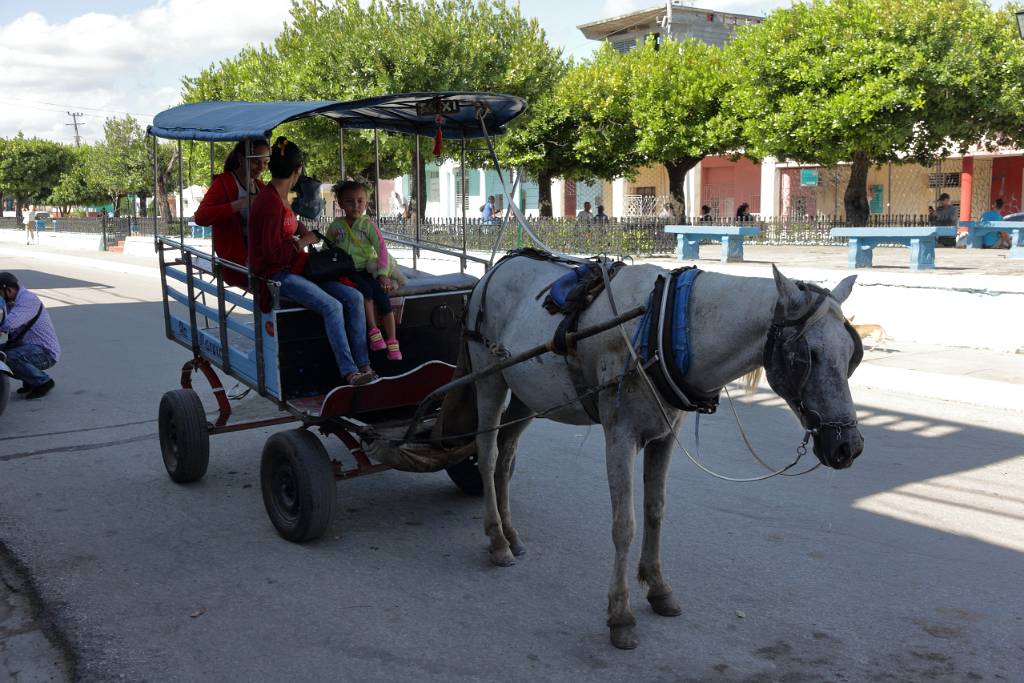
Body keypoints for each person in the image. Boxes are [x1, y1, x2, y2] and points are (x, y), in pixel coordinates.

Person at [248, 137, 374, 386]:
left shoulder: (281, 198)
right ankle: (350, 372)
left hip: (297, 266)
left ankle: (364, 365)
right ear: (298, 171)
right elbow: (274, 255)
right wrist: (303, 241)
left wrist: (306, 232)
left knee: (354, 297)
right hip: (277, 274)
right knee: (333, 306)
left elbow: (290, 226)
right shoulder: (270, 203)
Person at [325, 180, 408, 361]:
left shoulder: (367, 225)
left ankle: (393, 341)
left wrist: (384, 275)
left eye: (360, 201)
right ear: (340, 203)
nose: (356, 205)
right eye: (350, 201)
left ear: (366, 203)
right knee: (366, 293)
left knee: (383, 297)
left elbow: (382, 249)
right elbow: (327, 248)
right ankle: (373, 331)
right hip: (348, 271)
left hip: (368, 270)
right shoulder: (335, 227)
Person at [194, 138, 270, 287]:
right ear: (242, 159)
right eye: (256, 161)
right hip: (236, 262)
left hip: (260, 256)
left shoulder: (260, 186)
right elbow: (201, 217)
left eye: (265, 162)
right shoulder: (224, 183)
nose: (261, 167)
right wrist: (241, 203)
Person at [0, 272, 60, 399]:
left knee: (9, 358)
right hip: (30, 348)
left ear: (9, 290)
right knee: (2, 353)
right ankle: (30, 382)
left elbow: (9, 324)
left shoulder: (28, 300)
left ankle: (43, 382)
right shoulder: (12, 301)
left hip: (45, 353)